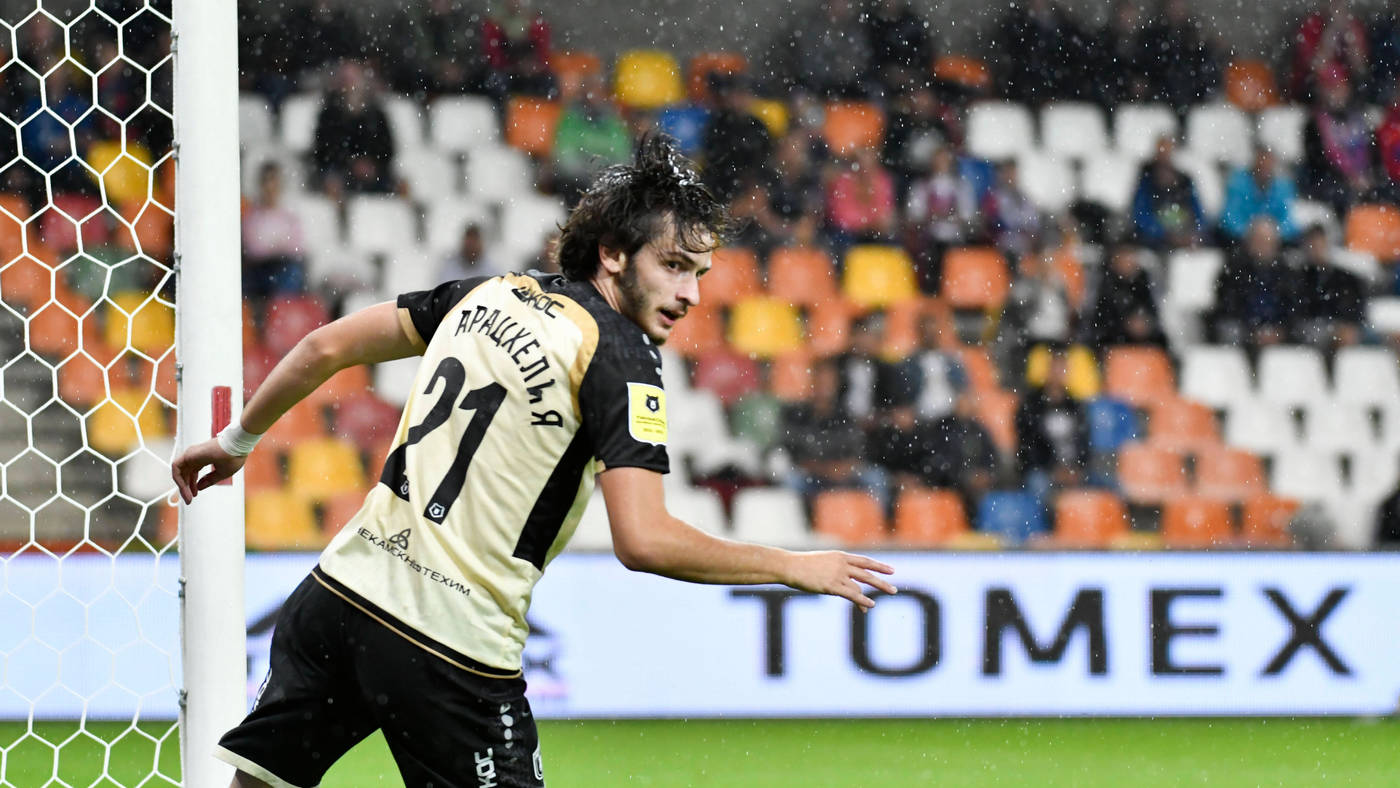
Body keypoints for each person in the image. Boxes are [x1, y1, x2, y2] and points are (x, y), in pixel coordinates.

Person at [171, 136, 895, 788]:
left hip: (338, 597)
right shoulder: (618, 354)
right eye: (674, 267)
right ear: (613, 254)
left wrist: (235, 442)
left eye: (700, 273)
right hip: (447, 642)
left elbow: (325, 345)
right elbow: (644, 541)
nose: (691, 295)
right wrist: (791, 565)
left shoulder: (488, 293)